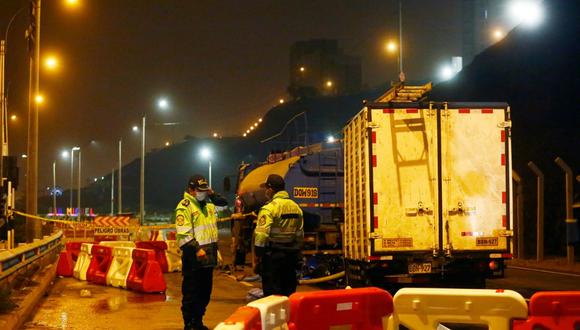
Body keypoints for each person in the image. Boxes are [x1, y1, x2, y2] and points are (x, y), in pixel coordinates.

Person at [175, 174, 227, 330]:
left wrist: (212, 194)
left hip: (208, 256)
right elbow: (184, 235)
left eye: (205, 190)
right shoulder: (185, 206)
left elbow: (224, 205)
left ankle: (198, 321)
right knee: (191, 293)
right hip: (194, 257)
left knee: (205, 293)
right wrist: (197, 249)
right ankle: (189, 324)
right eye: (199, 190)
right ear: (191, 190)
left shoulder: (209, 205)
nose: (202, 193)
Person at [254, 174, 304, 296]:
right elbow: (299, 234)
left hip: (273, 256)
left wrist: (258, 256)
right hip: (290, 256)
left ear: (271, 189)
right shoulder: (296, 207)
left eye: (266, 188)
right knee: (288, 292)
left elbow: (261, 236)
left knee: (272, 295)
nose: (265, 191)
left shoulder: (269, 208)